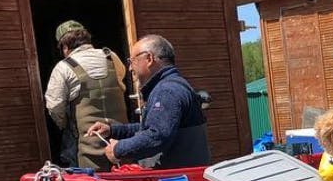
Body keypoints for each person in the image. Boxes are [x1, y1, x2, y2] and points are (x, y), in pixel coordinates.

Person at [85, 34, 210, 169]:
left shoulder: (166, 91)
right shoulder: (172, 85)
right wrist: (113, 131)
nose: (130, 69)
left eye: (132, 61)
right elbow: (151, 127)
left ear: (149, 58)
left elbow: (157, 136)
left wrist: (118, 149)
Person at [44, 20, 128, 171]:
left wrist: (66, 126)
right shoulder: (111, 57)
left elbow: (55, 107)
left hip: (89, 149)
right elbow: (121, 82)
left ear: (64, 47)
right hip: (123, 142)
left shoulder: (63, 67)